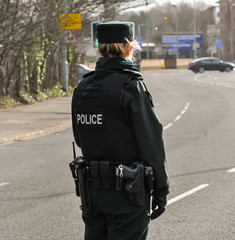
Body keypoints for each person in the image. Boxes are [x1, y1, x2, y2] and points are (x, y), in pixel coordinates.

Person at [71, 21, 169, 240]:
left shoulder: (83, 88)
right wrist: (161, 188)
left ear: (100, 48)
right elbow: (151, 141)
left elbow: (80, 138)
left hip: (92, 192)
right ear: (127, 48)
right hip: (128, 192)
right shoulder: (130, 86)